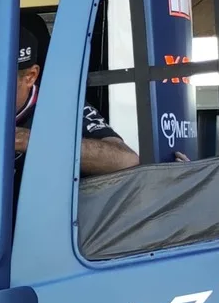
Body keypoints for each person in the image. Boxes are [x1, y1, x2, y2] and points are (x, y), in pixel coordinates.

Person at [14, 9, 139, 179]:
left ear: (31, 77)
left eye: (0, 79)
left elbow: (126, 159)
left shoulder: (62, 106)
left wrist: (30, 141)